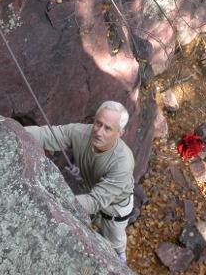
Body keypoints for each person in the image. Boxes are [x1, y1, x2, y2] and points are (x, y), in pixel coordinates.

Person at [25, 101, 135, 263]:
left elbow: (97, 201)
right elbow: (47, 135)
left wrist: (58, 201)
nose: (99, 132)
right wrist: (14, 129)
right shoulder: (79, 132)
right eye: (98, 123)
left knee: (115, 243)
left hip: (115, 208)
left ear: (120, 133)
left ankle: (120, 259)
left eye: (108, 128)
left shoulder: (123, 162)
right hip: (91, 190)